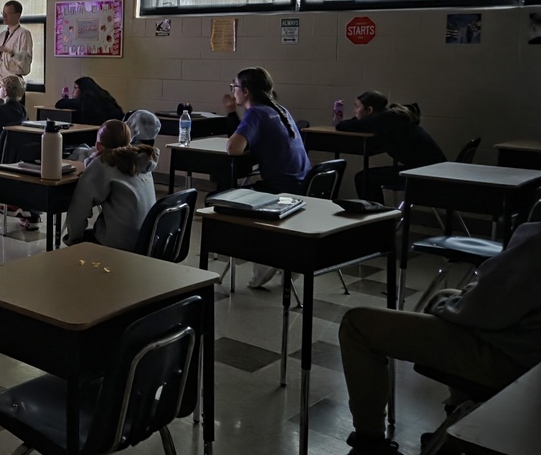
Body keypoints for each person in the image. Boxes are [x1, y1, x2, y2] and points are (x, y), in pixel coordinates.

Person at [338, 221, 541, 455]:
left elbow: (479, 309)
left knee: (357, 324)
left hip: (515, 362)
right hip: (527, 346)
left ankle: (369, 443)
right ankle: (456, 416)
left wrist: (446, 305)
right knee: (446, 295)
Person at [226, 67, 311, 288]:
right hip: (303, 183)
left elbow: (233, 149)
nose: (232, 91)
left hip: (282, 188)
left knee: (228, 200)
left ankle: (266, 256)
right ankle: (281, 256)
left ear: (245, 91)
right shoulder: (279, 109)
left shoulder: (256, 113)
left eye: (234, 86)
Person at [335, 91, 446, 204]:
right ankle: (377, 215)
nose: (355, 111)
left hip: (426, 175)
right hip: (434, 170)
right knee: (365, 177)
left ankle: (375, 216)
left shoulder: (383, 120)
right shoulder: (392, 117)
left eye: (357, 107)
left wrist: (357, 119)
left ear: (369, 110)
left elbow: (342, 126)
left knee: (363, 178)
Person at [65, 120, 158, 251]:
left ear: (98, 146)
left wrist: (72, 239)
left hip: (119, 244)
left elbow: (79, 210)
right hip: (147, 241)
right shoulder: (142, 161)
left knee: (79, 244)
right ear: (129, 142)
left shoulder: (103, 164)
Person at [0, 0, 32, 92]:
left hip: (13, 85)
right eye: (3, 13)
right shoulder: (2, 35)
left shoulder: (23, 34)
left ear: (17, 15)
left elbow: (25, 63)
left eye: (8, 13)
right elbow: (2, 60)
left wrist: (12, 53)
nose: (4, 16)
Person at [56, 77, 124, 125]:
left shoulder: (87, 101)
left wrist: (65, 98)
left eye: (75, 88)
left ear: (82, 89)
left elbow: (59, 103)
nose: (73, 91)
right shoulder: (105, 97)